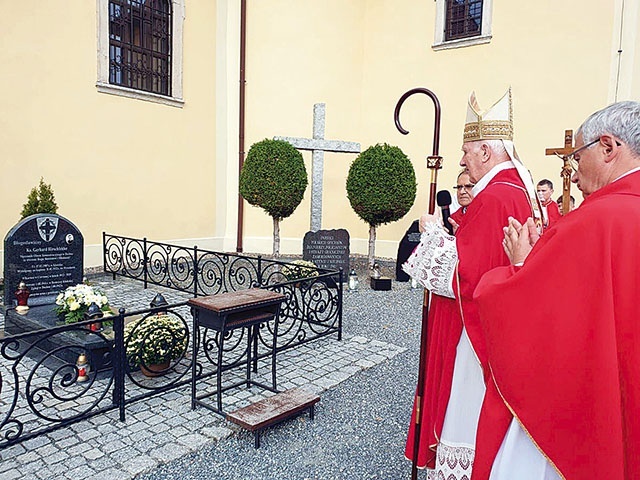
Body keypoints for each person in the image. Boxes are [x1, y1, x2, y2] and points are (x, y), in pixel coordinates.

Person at [473, 100, 640, 480]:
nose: (575, 173)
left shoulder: (594, 221)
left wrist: (518, 266)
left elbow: (540, 322)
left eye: (578, 157)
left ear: (609, 148)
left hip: (588, 417)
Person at [402, 89, 538, 479]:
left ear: (486, 152)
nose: (462, 159)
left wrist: (432, 234)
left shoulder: (495, 196)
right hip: (499, 324)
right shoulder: (516, 189)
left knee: (466, 407)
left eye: (467, 150)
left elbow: (466, 275)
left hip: (475, 330)